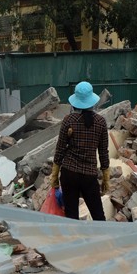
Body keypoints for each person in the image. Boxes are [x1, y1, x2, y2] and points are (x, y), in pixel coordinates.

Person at [49, 81, 109, 221]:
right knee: (98, 216)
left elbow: (60, 149)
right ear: (92, 101)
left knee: (71, 217)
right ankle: (103, 241)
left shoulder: (68, 120)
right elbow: (103, 152)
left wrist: (54, 176)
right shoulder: (100, 122)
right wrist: (106, 176)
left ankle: (73, 241)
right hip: (89, 176)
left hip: (69, 173)